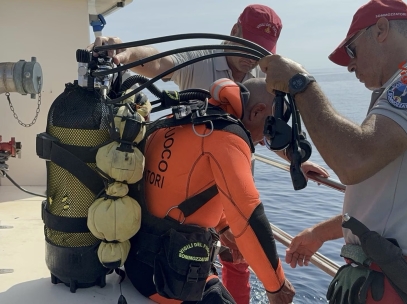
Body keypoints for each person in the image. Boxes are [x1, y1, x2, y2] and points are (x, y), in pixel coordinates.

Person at [91, 4, 329, 303]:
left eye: (261, 51)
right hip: (170, 272)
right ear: (234, 33)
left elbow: (263, 126)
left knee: (236, 249)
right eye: (249, 45)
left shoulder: (252, 79)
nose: (252, 56)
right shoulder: (203, 73)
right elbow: (156, 62)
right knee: (241, 236)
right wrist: (120, 51)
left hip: (146, 257)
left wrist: (296, 160)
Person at [257, 0, 407, 303]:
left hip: (395, 280)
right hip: (396, 274)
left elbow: (354, 161)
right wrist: (319, 233)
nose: (350, 65)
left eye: (351, 51)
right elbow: (388, 203)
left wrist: (301, 86)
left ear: (381, 29)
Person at [125, 77, 295, 303]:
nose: (264, 142)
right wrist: (277, 286)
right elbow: (248, 216)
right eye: (269, 131)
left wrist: (223, 225)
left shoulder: (175, 120)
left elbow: (178, 188)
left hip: (138, 265)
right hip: (170, 282)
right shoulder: (227, 135)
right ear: (257, 111)